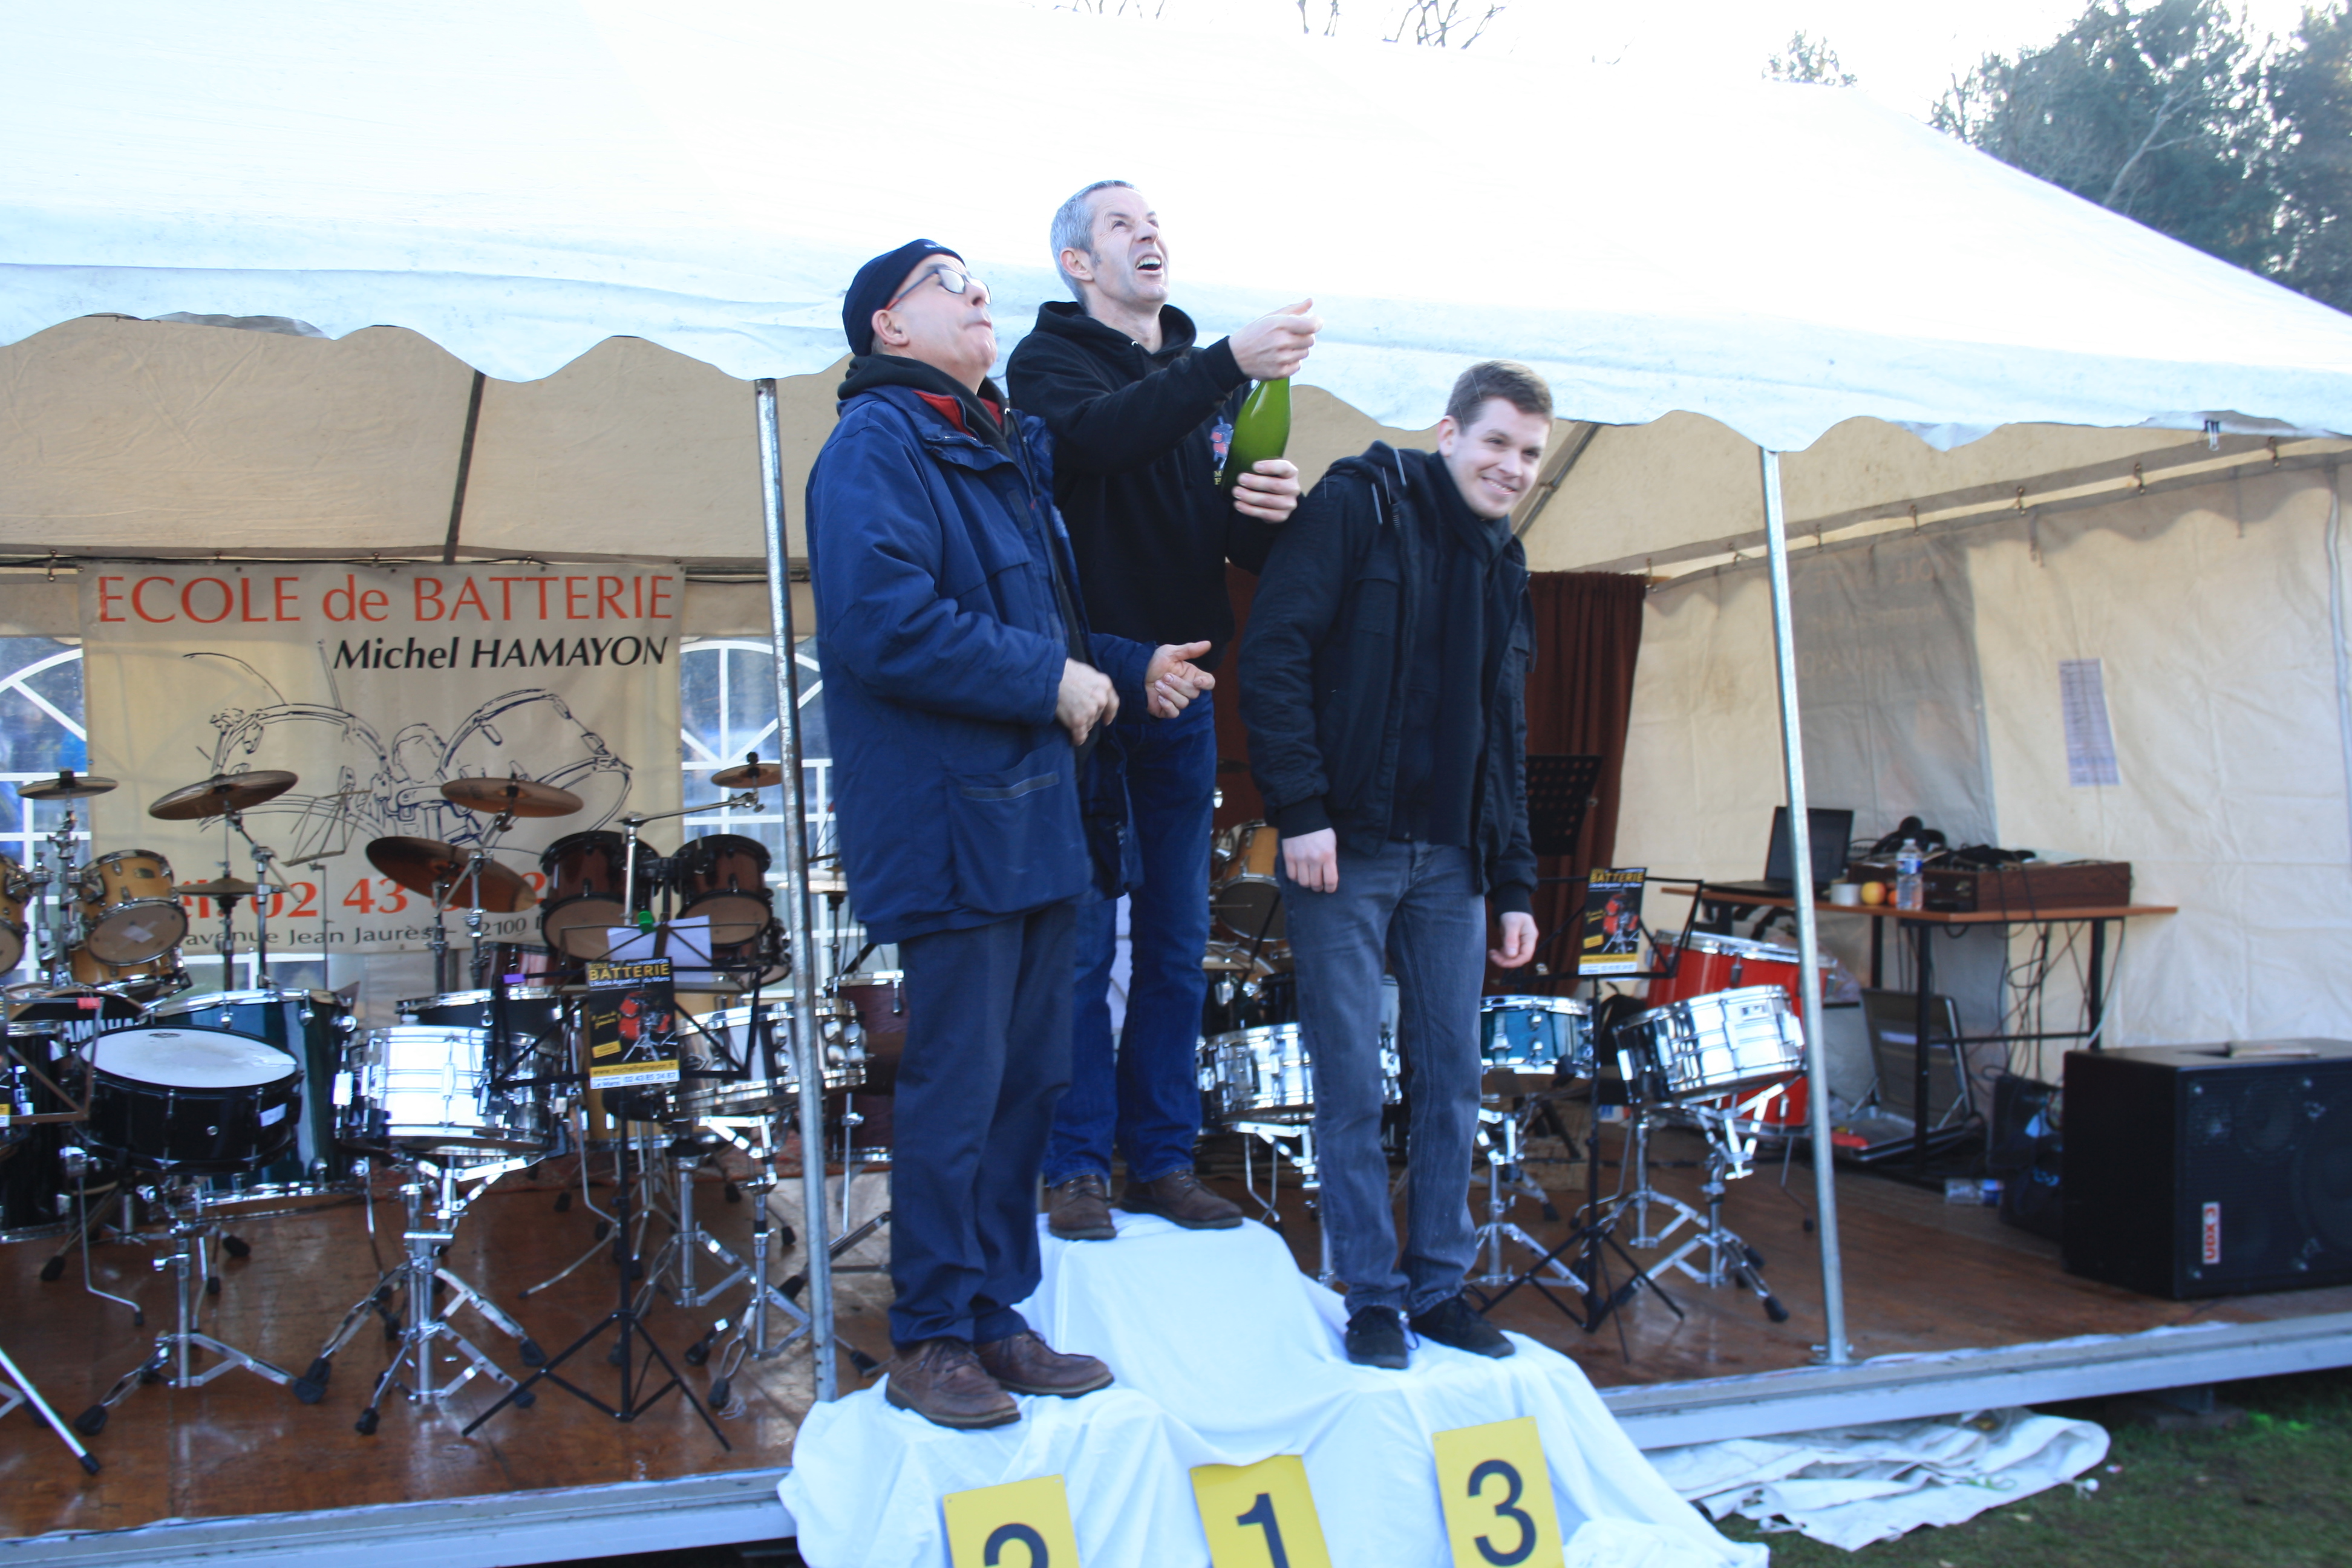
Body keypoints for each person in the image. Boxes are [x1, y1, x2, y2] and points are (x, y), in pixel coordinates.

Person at [806, 238, 1216, 1429]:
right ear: (889, 325)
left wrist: (1129, 667)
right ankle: (929, 1334)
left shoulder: (991, 446)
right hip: (951, 829)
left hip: (1037, 825)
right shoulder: (878, 446)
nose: (981, 292)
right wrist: (1051, 680)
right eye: (949, 282)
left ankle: (991, 1312)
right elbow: (886, 624)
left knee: (1028, 1085)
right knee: (960, 1087)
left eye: (980, 279)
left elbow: (1049, 622)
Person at [1005, 180, 1319, 1241]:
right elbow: (1101, 440)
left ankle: (1166, 1159)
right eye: (1121, 226)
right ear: (1078, 266)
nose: (1149, 235)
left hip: (1185, 694)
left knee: (1180, 941)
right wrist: (1225, 361)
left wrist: (1277, 517)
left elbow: (1235, 545)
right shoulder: (1047, 364)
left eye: (1156, 222)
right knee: (1088, 944)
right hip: (1088, 692)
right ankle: (1078, 1165)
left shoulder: (1205, 387)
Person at [1236, 361, 1549, 1369]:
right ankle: (1371, 1292)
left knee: (1453, 1076)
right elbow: (1274, 651)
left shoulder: (1507, 565)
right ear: (1450, 431)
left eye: (1531, 454)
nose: (1512, 467)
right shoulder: (1358, 502)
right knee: (1348, 1080)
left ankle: (1439, 1288)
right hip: (1345, 849)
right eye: (1497, 441)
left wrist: (1513, 880)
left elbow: (1506, 732)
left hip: (1455, 861)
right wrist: (1302, 811)